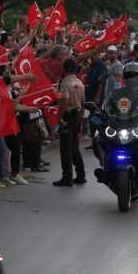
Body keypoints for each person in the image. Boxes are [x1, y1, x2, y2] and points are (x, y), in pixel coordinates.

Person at [54, 59, 86, 187]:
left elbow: (65, 100)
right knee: (75, 147)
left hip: (68, 115)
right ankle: (81, 175)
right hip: (77, 115)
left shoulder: (65, 82)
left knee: (65, 149)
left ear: (65, 69)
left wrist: (60, 117)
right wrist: (81, 116)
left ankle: (67, 177)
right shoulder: (80, 82)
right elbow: (83, 103)